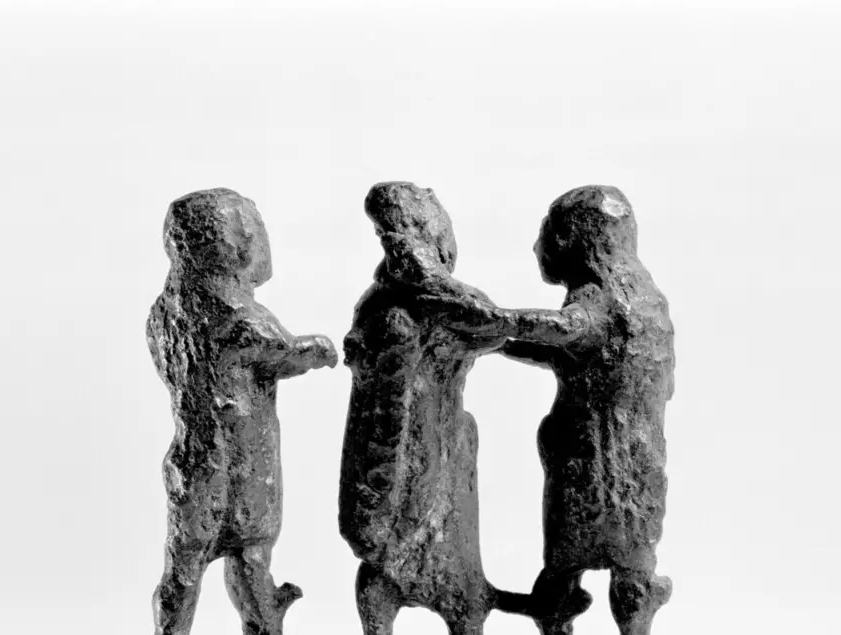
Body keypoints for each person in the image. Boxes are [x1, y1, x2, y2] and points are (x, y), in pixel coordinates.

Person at [339, 182, 591, 635]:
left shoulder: (394, 300)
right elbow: (488, 325)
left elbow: (490, 329)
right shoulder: (406, 305)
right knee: (402, 560)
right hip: (414, 456)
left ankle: (463, 592)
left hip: (440, 448)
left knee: (440, 558)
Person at [146, 189, 338, 635]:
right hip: (243, 467)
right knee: (249, 556)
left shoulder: (164, 313)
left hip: (193, 461)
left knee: (186, 566)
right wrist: (320, 350)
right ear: (234, 244)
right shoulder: (242, 316)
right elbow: (286, 354)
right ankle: (263, 623)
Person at [495, 185, 674, 635]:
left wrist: (494, 322)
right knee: (624, 569)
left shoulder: (598, 297)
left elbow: (566, 330)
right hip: (635, 463)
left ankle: (567, 615)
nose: (538, 247)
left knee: (566, 570)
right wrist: (497, 342)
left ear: (575, 241)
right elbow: (568, 351)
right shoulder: (647, 299)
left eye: (548, 233)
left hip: (592, 463)